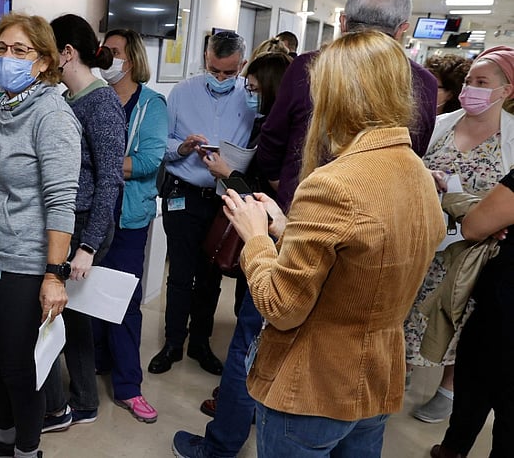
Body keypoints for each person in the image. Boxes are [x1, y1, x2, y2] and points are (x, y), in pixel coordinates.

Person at [182, 30, 445, 457]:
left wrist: (254, 239)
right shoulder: (415, 170)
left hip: (315, 386)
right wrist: (289, 229)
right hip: (375, 379)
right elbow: (365, 256)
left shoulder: (333, 183)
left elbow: (282, 307)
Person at [0, 12, 82, 458]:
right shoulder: (5, 101)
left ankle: (27, 452)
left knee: (19, 370)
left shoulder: (53, 116)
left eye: (20, 51)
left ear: (44, 61)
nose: (7, 58)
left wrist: (54, 276)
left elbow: (62, 201)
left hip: (23, 265)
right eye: (1, 49)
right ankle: (1, 442)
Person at [172, 50, 293, 458]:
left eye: (253, 87)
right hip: (200, 203)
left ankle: (221, 442)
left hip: (268, 241)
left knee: (247, 342)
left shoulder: (284, 132)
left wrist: (229, 175)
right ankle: (240, 401)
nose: (246, 92)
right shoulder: (183, 94)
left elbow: (267, 193)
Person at [257, 0, 438, 211]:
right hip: (375, 213)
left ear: (343, 21)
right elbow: (413, 152)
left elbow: (273, 137)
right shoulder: (423, 82)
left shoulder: (308, 66)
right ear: (402, 29)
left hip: (301, 205)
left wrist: (284, 186)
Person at [404, 45, 514, 424]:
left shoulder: (512, 141)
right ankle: (396, 373)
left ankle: (448, 388)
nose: (471, 89)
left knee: (460, 319)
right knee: (409, 309)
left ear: (507, 91)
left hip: (476, 253)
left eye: (482, 83)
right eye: (468, 81)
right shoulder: (440, 125)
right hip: (424, 242)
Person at [148, 31, 256, 377]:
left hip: (225, 197)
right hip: (184, 193)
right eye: (214, 70)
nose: (221, 79)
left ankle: (200, 344)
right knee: (180, 274)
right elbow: (161, 141)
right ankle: (172, 343)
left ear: (241, 65)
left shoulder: (249, 98)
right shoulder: (182, 92)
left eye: (229, 72)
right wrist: (182, 148)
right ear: (205, 60)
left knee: (211, 277)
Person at [40, 13, 125, 433]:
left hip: (87, 224)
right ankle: (82, 400)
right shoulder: (70, 98)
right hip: (73, 221)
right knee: (73, 315)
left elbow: (110, 177)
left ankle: (75, 403)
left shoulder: (101, 101)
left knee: (70, 314)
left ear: (67, 53)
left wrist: (88, 247)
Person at [91, 28, 167, 424]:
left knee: (123, 302)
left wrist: (102, 165)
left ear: (132, 60)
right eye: (104, 51)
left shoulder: (151, 105)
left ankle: (128, 387)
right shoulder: (93, 95)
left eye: (115, 52)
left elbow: (150, 160)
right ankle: (97, 365)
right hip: (92, 216)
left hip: (127, 217)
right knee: (88, 297)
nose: (106, 58)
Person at [430, 169, 514, 458]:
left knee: (479, 377)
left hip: (505, 308)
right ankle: (452, 447)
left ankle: (452, 449)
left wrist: (467, 206)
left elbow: (476, 226)